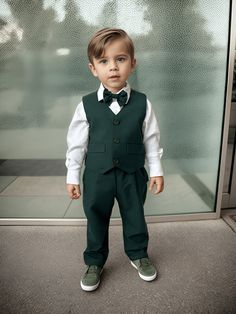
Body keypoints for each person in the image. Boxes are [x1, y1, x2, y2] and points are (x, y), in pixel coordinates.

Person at [65, 28, 164, 292]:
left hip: (132, 173)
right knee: (96, 217)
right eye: (104, 61)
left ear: (133, 63)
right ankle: (95, 261)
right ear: (93, 68)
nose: (113, 68)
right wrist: (72, 176)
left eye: (120, 59)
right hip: (98, 175)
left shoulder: (143, 103)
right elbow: (76, 144)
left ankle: (138, 253)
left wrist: (156, 171)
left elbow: (151, 140)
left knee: (135, 215)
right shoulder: (85, 104)